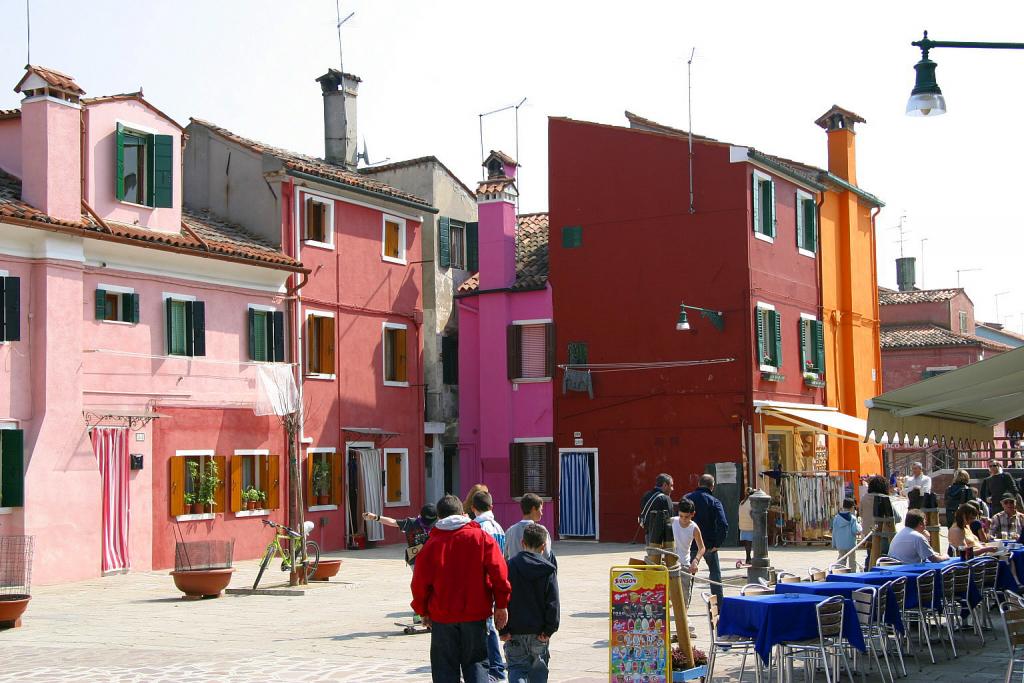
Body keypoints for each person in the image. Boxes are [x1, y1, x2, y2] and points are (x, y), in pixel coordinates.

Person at [411, 494, 511, 683]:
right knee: (476, 665)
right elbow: (499, 573)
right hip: (475, 615)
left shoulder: (432, 544)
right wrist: (501, 604)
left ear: (439, 517)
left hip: (442, 617)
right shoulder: (481, 538)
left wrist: (423, 610)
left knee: (445, 669)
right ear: (463, 513)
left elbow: (419, 583)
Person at [500, 523, 559, 683]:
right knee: (538, 670)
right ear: (543, 546)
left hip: (514, 630)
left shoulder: (509, 567)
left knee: (517, 668)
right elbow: (552, 603)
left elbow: (501, 600)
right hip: (539, 631)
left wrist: (502, 629)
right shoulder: (548, 570)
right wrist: (549, 629)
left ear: (522, 543)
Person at [471, 490, 507, 681]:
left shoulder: (479, 528)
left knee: (486, 627)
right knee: (489, 625)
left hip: (483, 581)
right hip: (497, 579)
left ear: (473, 508)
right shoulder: (498, 527)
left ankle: (495, 668)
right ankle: (495, 666)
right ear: (491, 507)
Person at [685, 474, 728, 601]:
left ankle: (684, 604)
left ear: (699, 484)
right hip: (709, 544)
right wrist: (717, 543)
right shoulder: (714, 501)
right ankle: (719, 603)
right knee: (715, 574)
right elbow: (723, 524)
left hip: (691, 543)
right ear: (712, 487)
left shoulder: (687, 499)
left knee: (688, 574)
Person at [363, 504, 438, 567]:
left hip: (433, 558)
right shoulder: (412, 523)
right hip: (416, 560)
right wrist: (376, 517)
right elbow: (393, 522)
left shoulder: (439, 525)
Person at [860, 475, 901, 566]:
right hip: (884, 535)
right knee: (884, 559)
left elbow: (861, 514)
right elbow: (897, 518)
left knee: (870, 557)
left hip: (869, 534)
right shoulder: (885, 499)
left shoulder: (864, 498)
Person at [671, 498, 705, 605]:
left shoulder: (694, 528)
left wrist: (695, 561)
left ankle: (685, 617)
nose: (683, 519)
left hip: (684, 564)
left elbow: (702, 547)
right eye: (681, 516)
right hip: (669, 562)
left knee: (684, 596)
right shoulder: (672, 521)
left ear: (692, 514)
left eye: (686, 517)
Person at [505, 493, 556, 564]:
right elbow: (547, 555)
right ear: (534, 509)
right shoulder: (541, 531)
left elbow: (505, 556)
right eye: (541, 510)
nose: (542, 513)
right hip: (536, 571)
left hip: (515, 572)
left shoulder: (510, 531)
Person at [639, 474, 674, 546]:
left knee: (652, 556)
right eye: (671, 485)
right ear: (664, 485)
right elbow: (671, 520)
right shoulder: (665, 499)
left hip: (649, 536)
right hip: (664, 539)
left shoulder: (646, 495)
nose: (672, 489)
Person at [831, 498, 862, 571]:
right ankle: (852, 574)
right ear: (852, 508)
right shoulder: (852, 518)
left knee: (841, 559)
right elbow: (855, 530)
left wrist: (834, 543)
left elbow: (834, 532)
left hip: (840, 544)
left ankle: (839, 573)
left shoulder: (836, 518)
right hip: (850, 544)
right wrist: (860, 526)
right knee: (852, 561)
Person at [736, 488, 754, 568]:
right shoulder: (752, 503)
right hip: (750, 526)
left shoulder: (742, 502)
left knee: (747, 544)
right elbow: (752, 514)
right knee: (751, 543)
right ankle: (750, 558)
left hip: (743, 526)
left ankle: (748, 557)